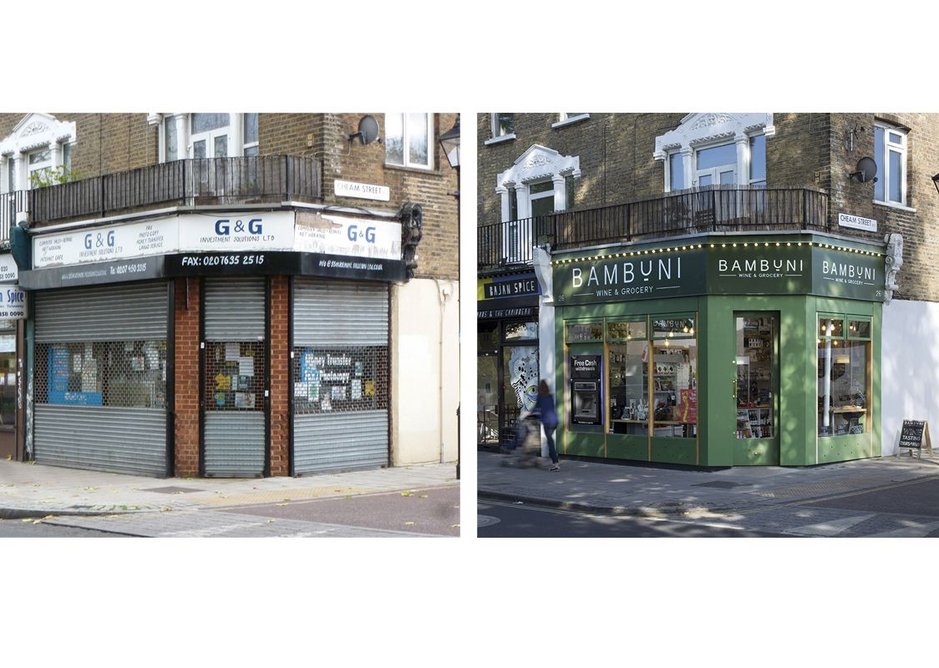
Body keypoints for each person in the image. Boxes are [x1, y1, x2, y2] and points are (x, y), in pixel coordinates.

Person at [535, 380, 560, 471]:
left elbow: (535, 408)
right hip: (554, 421)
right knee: (550, 440)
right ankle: (553, 456)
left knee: (550, 442)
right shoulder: (551, 396)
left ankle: (555, 463)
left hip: (547, 422)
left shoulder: (540, 397)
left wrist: (528, 413)